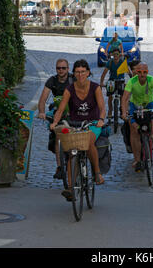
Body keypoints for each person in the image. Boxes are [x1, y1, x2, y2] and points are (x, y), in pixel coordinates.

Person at [50, 59, 106, 200]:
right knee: (72, 153)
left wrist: (101, 120)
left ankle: (97, 173)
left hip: (92, 123)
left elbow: (102, 108)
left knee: (88, 142)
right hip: (75, 124)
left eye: (83, 72)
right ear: (73, 73)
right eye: (77, 72)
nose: (80, 74)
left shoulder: (95, 88)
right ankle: (70, 188)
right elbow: (61, 107)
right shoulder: (70, 89)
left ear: (88, 73)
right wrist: (55, 122)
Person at [121, 63, 153, 171]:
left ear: (148, 72)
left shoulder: (152, 80)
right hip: (134, 105)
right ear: (136, 72)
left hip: (149, 103)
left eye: (144, 72)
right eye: (139, 72)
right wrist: (124, 112)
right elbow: (125, 98)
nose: (142, 74)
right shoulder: (132, 82)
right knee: (133, 128)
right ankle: (137, 160)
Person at [38, 58, 75, 179]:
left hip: (73, 112)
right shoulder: (52, 81)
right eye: (58, 68)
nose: (61, 70)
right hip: (58, 111)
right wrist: (42, 112)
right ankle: (59, 167)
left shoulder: (73, 79)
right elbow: (43, 99)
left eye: (63, 68)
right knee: (57, 136)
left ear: (68, 69)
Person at [100, 49, 132, 120]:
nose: (115, 56)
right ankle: (110, 110)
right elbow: (104, 73)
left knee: (122, 96)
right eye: (114, 54)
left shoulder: (122, 62)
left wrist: (132, 81)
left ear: (119, 55)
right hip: (112, 81)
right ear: (112, 55)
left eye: (117, 54)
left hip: (121, 81)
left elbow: (129, 72)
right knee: (110, 96)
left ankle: (121, 110)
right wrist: (101, 83)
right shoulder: (110, 62)